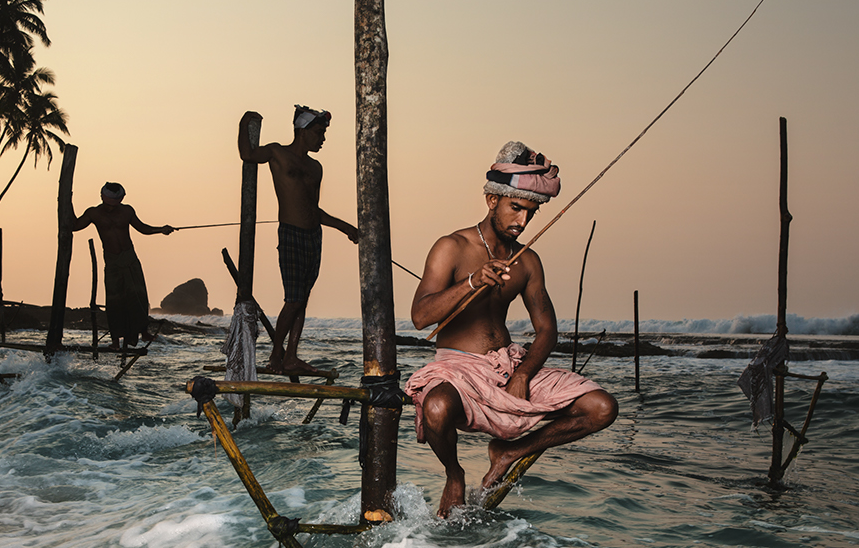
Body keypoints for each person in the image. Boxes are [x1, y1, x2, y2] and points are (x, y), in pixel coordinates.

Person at [405, 141, 618, 518]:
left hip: (509, 366)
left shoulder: (528, 261)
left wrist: (523, 373)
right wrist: (472, 282)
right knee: (436, 407)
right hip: (457, 368)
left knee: (602, 408)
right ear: (491, 200)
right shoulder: (451, 247)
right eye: (515, 208)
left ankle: (509, 452)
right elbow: (420, 316)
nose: (522, 221)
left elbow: (547, 330)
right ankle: (454, 476)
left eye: (530, 212)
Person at [238, 105, 359, 373]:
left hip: (314, 236)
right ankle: (275, 358)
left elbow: (313, 209)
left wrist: (344, 226)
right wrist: (244, 121)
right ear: (303, 131)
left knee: (302, 299)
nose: (323, 139)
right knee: (293, 300)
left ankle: (291, 356)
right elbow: (247, 154)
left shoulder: (316, 167)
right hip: (291, 234)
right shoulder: (277, 153)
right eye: (319, 132)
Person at [71, 182, 174, 351]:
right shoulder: (93, 213)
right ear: (102, 198)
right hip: (112, 262)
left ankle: (144, 331)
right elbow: (74, 226)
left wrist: (161, 229)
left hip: (130, 258)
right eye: (109, 204)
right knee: (114, 301)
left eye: (115, 204)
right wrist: (68, 204)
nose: (112, 209)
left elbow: (142, 228)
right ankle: (115, 341)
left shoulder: (127, 211)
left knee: (138, 295)